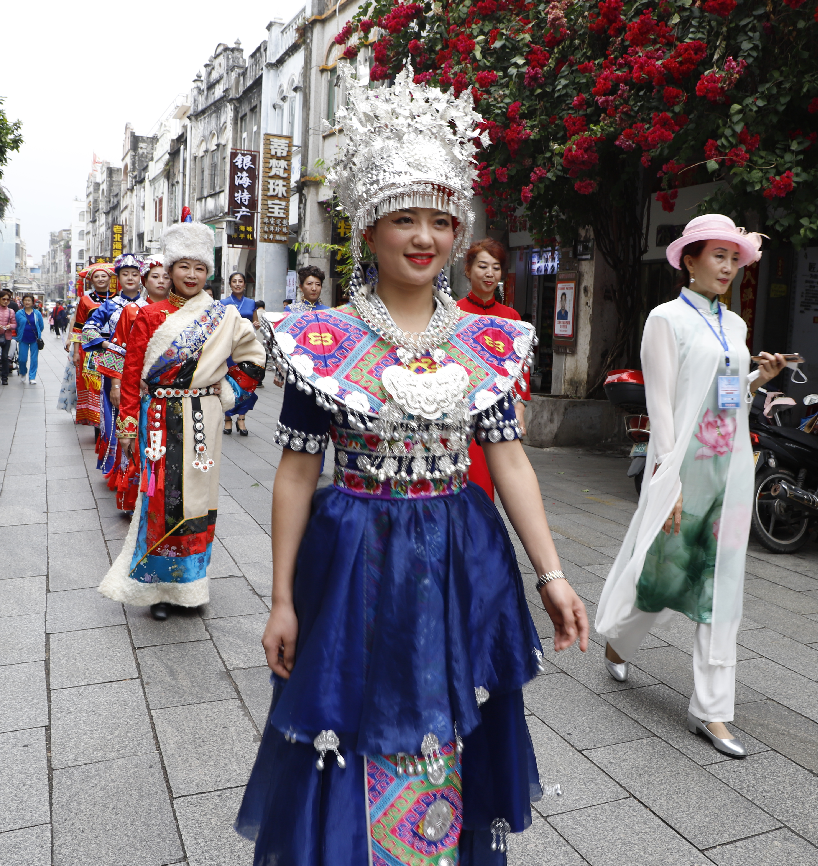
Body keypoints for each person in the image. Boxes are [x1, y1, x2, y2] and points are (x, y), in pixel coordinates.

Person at [236, 63, 588, 865]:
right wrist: (282, 599)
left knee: (455, 718)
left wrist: (552, 574)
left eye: (440, 220)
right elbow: (295, 472)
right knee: (348, 723)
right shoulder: (321, 342)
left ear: (459, 233)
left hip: (462, 556)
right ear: (366, 231)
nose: (424, 237)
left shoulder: (488, 343)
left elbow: (510, 464)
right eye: (403, 220)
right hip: (355, 553)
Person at [596, 215, 787, 759]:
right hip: (684, 467)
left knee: (721, 587)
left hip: (729, 467)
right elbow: (663, 408)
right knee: (663, 570)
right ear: (691, 259)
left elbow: (726, 397)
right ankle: (618, 636)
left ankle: (712, 710)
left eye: (736, 259)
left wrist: (757, 379)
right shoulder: (665, 319)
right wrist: (667, 482)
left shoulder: (736, 325)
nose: (729, 268)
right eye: (719, 256)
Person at [98, 223, 265, 621]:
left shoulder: (223, 316)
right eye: (184, 267)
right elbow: (133, 374)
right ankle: (158, 589)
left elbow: (253, 357)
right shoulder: (147, 316)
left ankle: (191, 587)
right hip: (157, 421)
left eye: (200, 269)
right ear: (170, 269)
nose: (191, 276)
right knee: (161, 502)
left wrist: (227, 395)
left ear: (209, 273)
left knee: (199, 501)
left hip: (203, 421)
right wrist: (128, 422)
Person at [456, 238, 531, 501]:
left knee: (495, 482)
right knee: (469, 480)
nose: (490, 274)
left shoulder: (511, 317)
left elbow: (520, 368)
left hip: (500, 410)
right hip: (462, 409)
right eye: (483, 266)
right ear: (468, 270)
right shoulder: (453, 313)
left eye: (496, 268)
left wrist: (519, 408)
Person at [96, 257, 171, 511]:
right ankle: (136, 499)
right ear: (145, 280)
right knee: (138, 445)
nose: (161, 281)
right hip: (138, 390)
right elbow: (119, 353)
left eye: (165, 277)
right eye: (154, 277)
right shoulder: (131, 311)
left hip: (171, 394)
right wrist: (116, 385)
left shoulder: (182, 312)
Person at [83, 255, 146, 474]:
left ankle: (138, 468)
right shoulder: (108, 305)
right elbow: (87, 330)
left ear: (141, 277)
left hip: (142, 370)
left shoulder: (149, 306)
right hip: (115, 369)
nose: (130, 278)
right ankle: (117, 470)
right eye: (125, 274)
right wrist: (108, 344)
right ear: (117, 278)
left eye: (135, 274)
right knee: (115, 418)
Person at [62, 263, 114, 428]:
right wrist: (76, 352)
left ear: (110, 278)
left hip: (113, 348)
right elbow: (78, 327)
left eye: (103, 276)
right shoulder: (85, 300)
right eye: (96, 276)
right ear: (91, 281)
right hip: (90, 349)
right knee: (93, 386)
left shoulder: (118, 299)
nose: (100, 279)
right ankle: (97, 424)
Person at [221, 271, 258, 436]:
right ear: (230, 284)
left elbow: (255, 323)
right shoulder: (223, 303)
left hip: (247, 349)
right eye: (234, 281)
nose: (237, 284)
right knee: (229, 382)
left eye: (240, 281)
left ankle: (241, 418)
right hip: (229, 349)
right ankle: (228, 418)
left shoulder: (251, 303)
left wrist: (256, 325)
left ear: (245, 284)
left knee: (248, 383)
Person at [15, 293, 45, 385]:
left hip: (34, 339)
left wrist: (38, 334)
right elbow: (16, 326)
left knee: (34, 359)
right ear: (23, 302)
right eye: (25, 300)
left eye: (29, 300)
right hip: (23, 339)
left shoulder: (37, 313)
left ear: (32, 302)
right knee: (22, 359)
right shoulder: (19, 313)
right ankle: (23, 372)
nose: (27, 302)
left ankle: (32, 377)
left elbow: (41, 326)